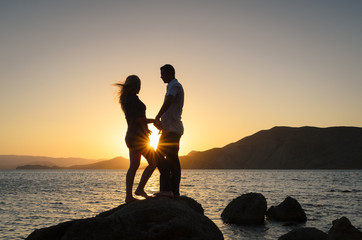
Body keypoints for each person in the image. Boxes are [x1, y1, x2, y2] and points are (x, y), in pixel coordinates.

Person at [115, 75, 157, 203]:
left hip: (131, 136)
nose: (140, 88)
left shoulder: (127, 100)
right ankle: (139, 189)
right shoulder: (133, 100)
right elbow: (139, 119)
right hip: (138, 138)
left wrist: (146, 129)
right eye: (139, 85)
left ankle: (128, 196)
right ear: (135, 86)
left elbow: (135, 120)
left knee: (134, 165)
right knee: (154, 162)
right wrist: (154, 121)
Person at [154, 64, 184, 197]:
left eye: (163, 73)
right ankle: (172, 191)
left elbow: (169, 100)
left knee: (158, 156)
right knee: (171, 159)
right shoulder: (171, 86)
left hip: (172, 130)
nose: (161, 76)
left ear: (171, 72)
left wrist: (157, 116)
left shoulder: (174, 85)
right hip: (169, 130)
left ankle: (168, 190)